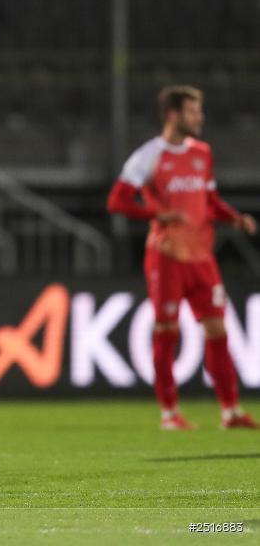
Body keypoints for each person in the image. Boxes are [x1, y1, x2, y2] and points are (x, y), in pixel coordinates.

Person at [107, 85, 258, 431]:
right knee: (167, 331)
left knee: (218, 331)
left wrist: (233, 218)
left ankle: (231, 411)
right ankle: (169, 413)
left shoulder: (202, 153)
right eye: (192, 111)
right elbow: (117, 201)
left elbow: (209, 201)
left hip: (202, 258)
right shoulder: (148, 156)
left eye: (198, 110)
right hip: (167, 257)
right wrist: (156, 214)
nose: (199, 117)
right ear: (173, 115)